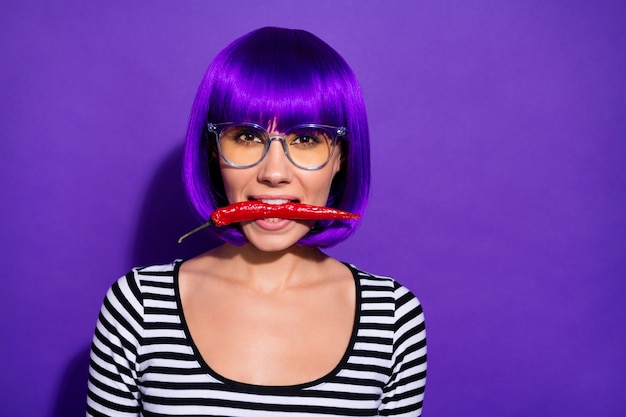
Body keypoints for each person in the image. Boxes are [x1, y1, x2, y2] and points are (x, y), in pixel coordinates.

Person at [87, 27, 427, 416]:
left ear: (342, 158)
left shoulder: (393, 318)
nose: (274, 173)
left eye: (307, 139)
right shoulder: (140, 305)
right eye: (247, 136)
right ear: (214, 150)